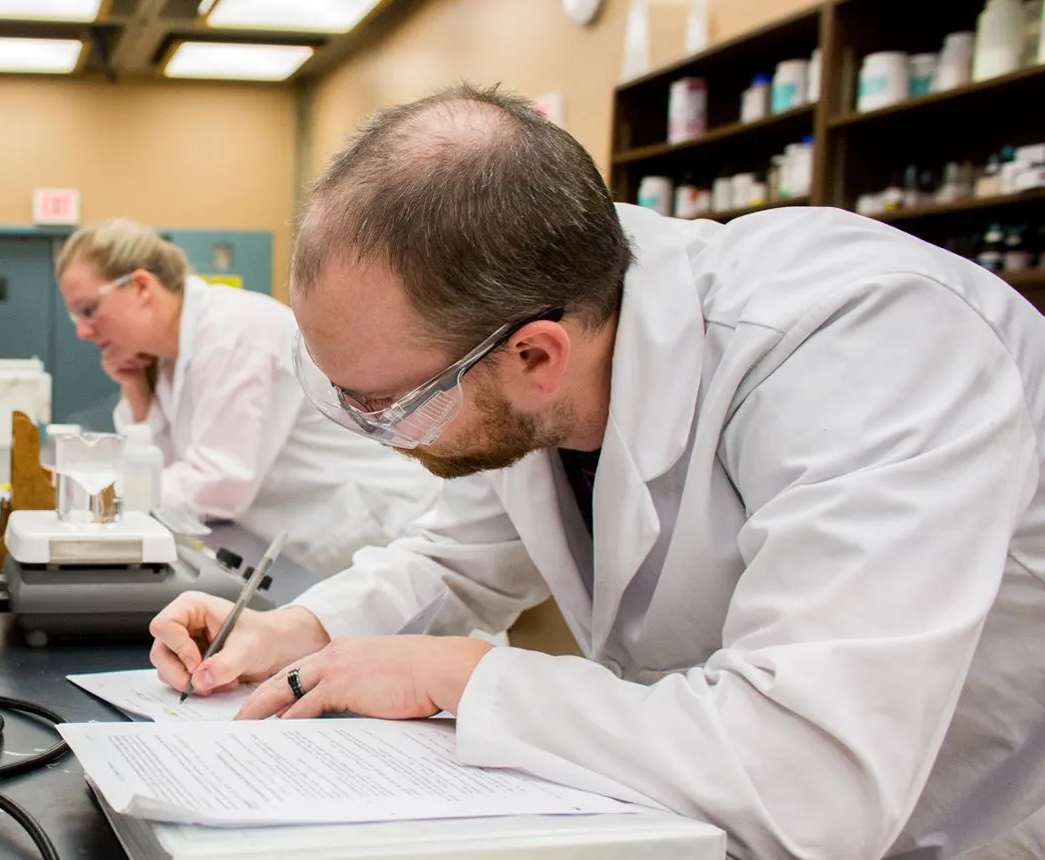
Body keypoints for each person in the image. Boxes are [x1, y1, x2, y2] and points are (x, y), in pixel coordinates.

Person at [148, 85, 1045, 859]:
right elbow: (458, 557)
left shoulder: (865, 347)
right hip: (707, 809)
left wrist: (462, 677)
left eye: (388, 405)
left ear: (537, 357)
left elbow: (807, 779)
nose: (376, 435)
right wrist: (297, 632)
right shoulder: (541, 327)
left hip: (963, 820)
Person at [56, 218, 441, 574]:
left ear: (141, 286)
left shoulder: (232, 335)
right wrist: (136, 387)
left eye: (88, 310)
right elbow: (164, 467)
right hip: (299, 538)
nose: (83, 332)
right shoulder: (171, 356)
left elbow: (218, 486)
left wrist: (98, 490)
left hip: (376, 530)